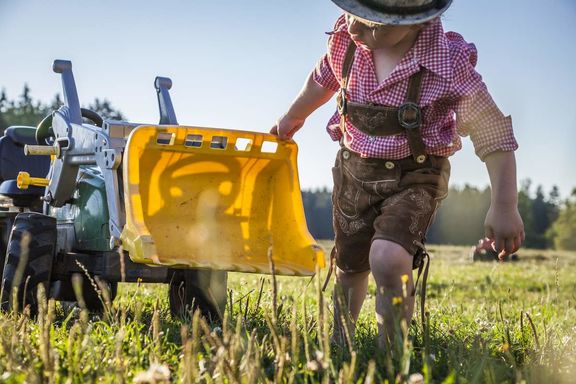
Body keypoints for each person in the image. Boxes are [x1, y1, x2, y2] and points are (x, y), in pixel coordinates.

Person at [270, 0, 525, 349]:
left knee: (388, 259)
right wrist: (293, 116)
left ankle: (392, 352)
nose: (356, 29)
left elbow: (492, 132)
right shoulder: (348, 41)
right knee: (350, 267)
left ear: (419, 22)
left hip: (415, 176)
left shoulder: (447, 63)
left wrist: (505, 205)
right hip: (354, 171)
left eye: (376, 25)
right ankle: (339, 344)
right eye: (354, 15)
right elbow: (321, 80)